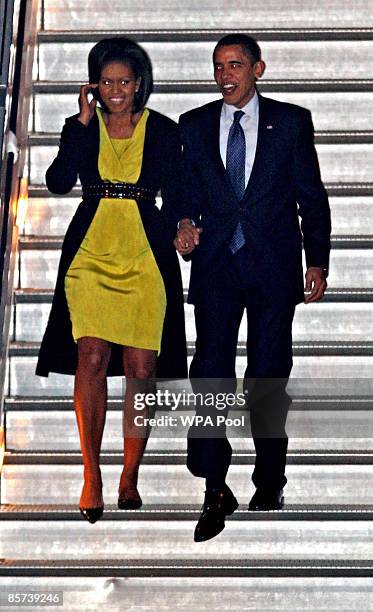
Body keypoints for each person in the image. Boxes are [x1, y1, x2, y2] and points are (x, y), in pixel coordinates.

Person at [175, 33, 331, 542]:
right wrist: (183, 223)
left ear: (257, 69)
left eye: (236, 65)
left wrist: (318, 261)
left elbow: (312, 195)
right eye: (219, 66)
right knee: (212, 373)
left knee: (268, 374)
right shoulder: (194, 125)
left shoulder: (289, 123)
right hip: (217, 265)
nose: (226, 75)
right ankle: (214, 485)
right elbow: (183, 192)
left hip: (272, 266)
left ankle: (269, 478)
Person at [36, 37, 187, 523]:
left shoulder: (163, 130)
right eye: (106, 81)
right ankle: (92, 473)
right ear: (93, 86)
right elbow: (58, 181)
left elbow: (181, 191)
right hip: (92, 251)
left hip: (145, 249)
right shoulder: (82, 127)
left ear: (139, 83)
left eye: (124, 81)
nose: (115, 89)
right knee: (92, 355)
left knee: (142, 367)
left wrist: (185, 224)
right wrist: (81, 124)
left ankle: (129, 474)